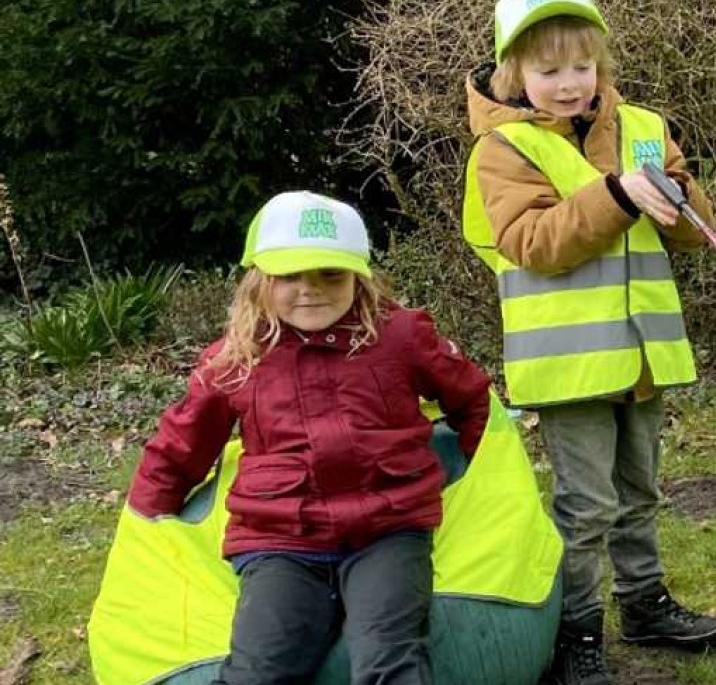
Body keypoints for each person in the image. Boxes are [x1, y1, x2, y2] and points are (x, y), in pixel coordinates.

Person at [462, 0, 716, 684]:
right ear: (513, 72)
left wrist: (678, 196)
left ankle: (643, 603)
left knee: (640, 490)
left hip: (643, 355)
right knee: (585, 508)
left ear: (601, 66)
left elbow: (697, 235)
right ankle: (577, 632)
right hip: (569, 367)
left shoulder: (644, 128)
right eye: (548, 70)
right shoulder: (504, 150)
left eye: (580, 67)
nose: (567, 83)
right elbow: (533, 242)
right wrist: (615, 195)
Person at [129, 191, 493, 684]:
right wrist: (148, 515)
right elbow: (183, 441)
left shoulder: (401, 336)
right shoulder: (236, 358)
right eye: (290, 276)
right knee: (260, 668)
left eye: (330, 274)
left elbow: (471, 398)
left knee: (389, 657)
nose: (310, 290)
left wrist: (478, 470)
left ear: (359, 277)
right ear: (259, 280)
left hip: (386, 529)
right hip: (280, 537)